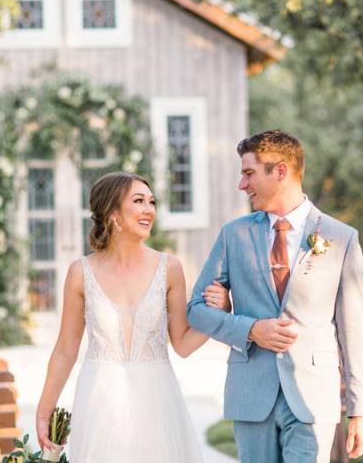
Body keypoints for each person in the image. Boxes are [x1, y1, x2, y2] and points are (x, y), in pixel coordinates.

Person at [188, 130, 363, 463]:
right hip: (251, 394)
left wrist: (361, 410)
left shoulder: (340, 237)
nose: (241, 185)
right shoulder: (234, 235)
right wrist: (249, 329)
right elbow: (196, 311)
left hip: (312, 395)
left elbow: (354, 330)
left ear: (281, 171)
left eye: (249, 174)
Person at [35, 172, 230, 463]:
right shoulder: (80, 272)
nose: (149, 210)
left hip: (157, 398)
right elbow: (66, 348)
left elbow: (183, 344)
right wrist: (44, 410)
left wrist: (221, 313)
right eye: (138, 201)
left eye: (151, 202)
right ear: (113, 214)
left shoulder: (170, 268)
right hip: (100, 398)